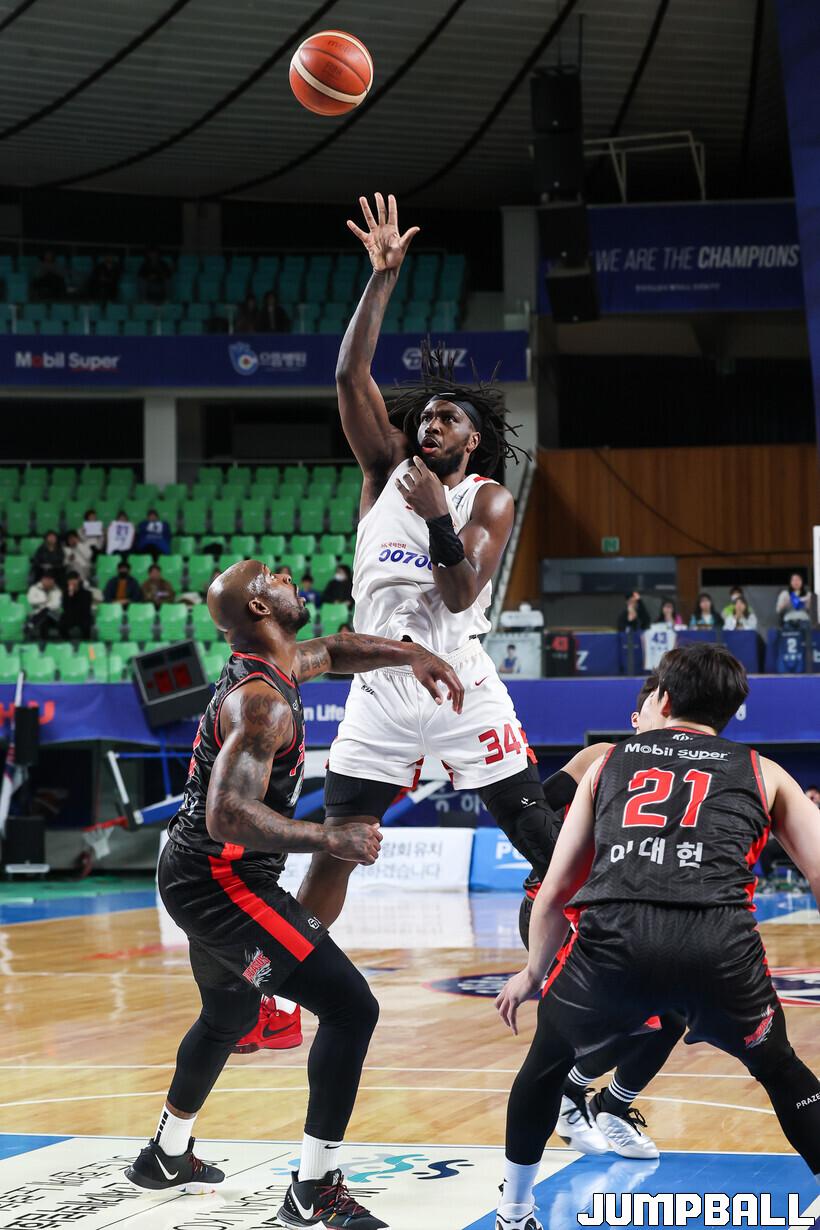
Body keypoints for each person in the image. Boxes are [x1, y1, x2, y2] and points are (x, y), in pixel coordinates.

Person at [124, 559, 463, 1230]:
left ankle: (165, 1154)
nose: (286, 574)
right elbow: (227, 814)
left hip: (196, 875)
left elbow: (336, 650)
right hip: (220, 883)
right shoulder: (261, 701)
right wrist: (329, 838)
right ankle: (314, 1190)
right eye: (271, 575)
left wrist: (411, 654)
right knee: (351, 1007)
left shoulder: (278, 665)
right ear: (259, 607)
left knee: (226, 1017)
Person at [292, 193, 548, 974]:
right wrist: (382, 278)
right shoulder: (382, 471)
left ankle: (586, 961)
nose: (431, 424)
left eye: (447, 419)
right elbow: (349, 374)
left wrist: (439, 516)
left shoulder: (487, 499)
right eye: (426, 417)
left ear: (474, 439)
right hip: (379, 690)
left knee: (539, 838)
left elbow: (462, 592)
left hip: (462, 687)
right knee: (337, 848)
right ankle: (279, 980)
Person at [495, 644, 820, 1227]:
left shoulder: (606, 762)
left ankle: (514, 1210)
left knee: (545, 1063)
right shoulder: (766, 771)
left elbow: (558, 886)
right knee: (782, 1071)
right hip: (719, 947)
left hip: (613, 944)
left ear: (663, 699)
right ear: (731, 712)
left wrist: (532, 973)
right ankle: (611, 1106)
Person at [516, 673, 683, 1161]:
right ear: (636, 719)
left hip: (618, 918)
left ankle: (609, 1105)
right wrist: (564, 859)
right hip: (558, 911)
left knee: (672, 1017)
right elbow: (533, 811)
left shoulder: (684, 780)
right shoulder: (602, 756)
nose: (667, 718)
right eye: (658, 707)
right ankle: (568, 1095)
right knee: (635, 1021)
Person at [26, 571, 62, 640]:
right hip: (38, 615)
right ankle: (44, 642)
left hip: (53, 615)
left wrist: (43, 606)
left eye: (50, 580)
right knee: (44, 620)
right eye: (46, 580)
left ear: (53, 581)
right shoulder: (34, 588)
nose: (48, 582)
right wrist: (44, 601)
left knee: (47, 611)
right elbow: (31, 600)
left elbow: (57, 604)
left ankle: (31, 624)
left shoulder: (57, 590)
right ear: (42, 580)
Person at [59, 571, 93, 640]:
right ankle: (67, 642)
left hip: (83, 616)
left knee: (86, 624)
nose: (72, 582)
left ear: (78, 580)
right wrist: (70, 595)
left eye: (74, 579)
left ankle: (86, 642)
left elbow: (86, 608)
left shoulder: (87, 593)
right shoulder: (65, 594)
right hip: (70, 615)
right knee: (61, 623)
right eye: (70, 580)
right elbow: (66, 608)